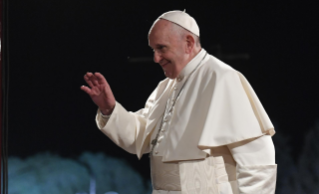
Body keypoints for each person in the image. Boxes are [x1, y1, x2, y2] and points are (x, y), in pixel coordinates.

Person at [81, 10, 277, 194]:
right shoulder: (166, 87)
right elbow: (139, 136)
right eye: (153, 50)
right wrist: (109, 108)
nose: (155, 58)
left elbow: (259, 164)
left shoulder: (222, 78)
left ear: (189, 43)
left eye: (161, 48)